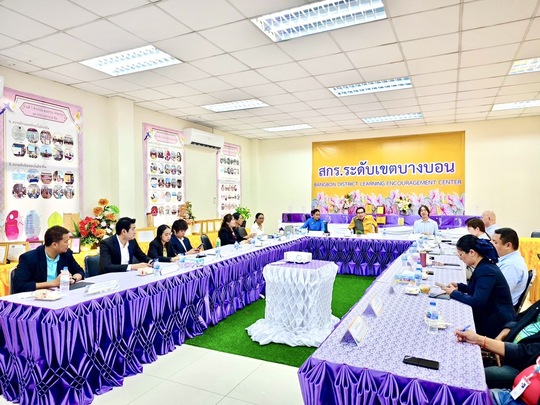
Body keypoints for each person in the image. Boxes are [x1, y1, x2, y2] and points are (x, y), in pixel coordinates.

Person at [441, 234, 515, 338]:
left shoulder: (486, 270)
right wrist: (460, 287)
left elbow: (477, 301)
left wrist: (454, 293)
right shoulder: (483, 265)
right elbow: (479, 289)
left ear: (472, 252)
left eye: (461, 255)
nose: (460, 259)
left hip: (496, 322)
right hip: (489, 313)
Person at [455, 300, 540, 390]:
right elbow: (519, 319)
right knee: (462, 354)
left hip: (522, 368)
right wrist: (499, 339)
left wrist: (480, 340)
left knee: (472, 374)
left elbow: (525, 353)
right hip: (506, 346)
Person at [12, 226, 85, 294]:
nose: (68, 244)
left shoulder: (66, 254)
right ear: (54, 245)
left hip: (59, 294)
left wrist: (73, 279)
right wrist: (53, 283)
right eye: (66, 242)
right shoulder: (29, 258)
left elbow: (80, 271)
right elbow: (19, 286)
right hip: (38, 297)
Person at [492, 228, 528, 307]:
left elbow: (498, 292)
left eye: (495, 242)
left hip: (498, 308)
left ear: (508, 245)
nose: (491, 245)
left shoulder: (512, 266)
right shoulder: (507, 259)